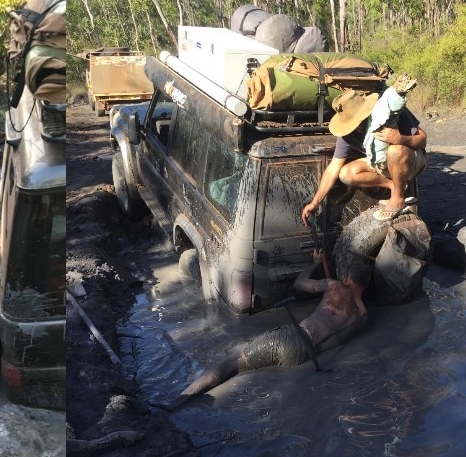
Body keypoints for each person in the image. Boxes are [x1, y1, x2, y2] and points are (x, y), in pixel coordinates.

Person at [166, 250, 369, 409]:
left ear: (347, 279)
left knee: (230, 363)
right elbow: (338, 339)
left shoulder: (334, 286)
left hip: (292, 338)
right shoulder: (362, 315)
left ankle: (176, 401)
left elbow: (299, 284)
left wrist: (314, 263)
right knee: (244, 355)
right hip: (305, 356)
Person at [301, 88, 427, 224]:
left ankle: (398, 199)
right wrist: (315, 202)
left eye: (359, 122)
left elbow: (423, 140)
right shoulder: (347, 133)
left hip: (411, 161)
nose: (357, 128)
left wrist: (399, 138)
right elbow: (334, 167)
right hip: (382, 162)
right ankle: (394, 185)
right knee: (346, 173)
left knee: (394, 151)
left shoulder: (388, 112)